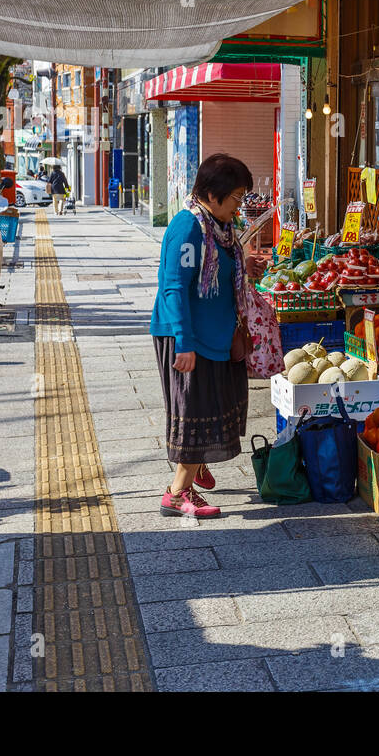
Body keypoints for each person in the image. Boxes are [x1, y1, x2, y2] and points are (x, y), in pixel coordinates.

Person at [151, 153, 254, 519]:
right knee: (195, 413)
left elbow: (218, 272)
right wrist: (184, 341)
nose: (238, 206)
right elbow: (174, 287)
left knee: (215, 409)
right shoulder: (189, 228)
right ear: (213, 194)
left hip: (214, 338)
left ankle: (196, 467)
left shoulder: (219, 229)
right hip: (189, 339)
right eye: (236, 198)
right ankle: (177, 494)